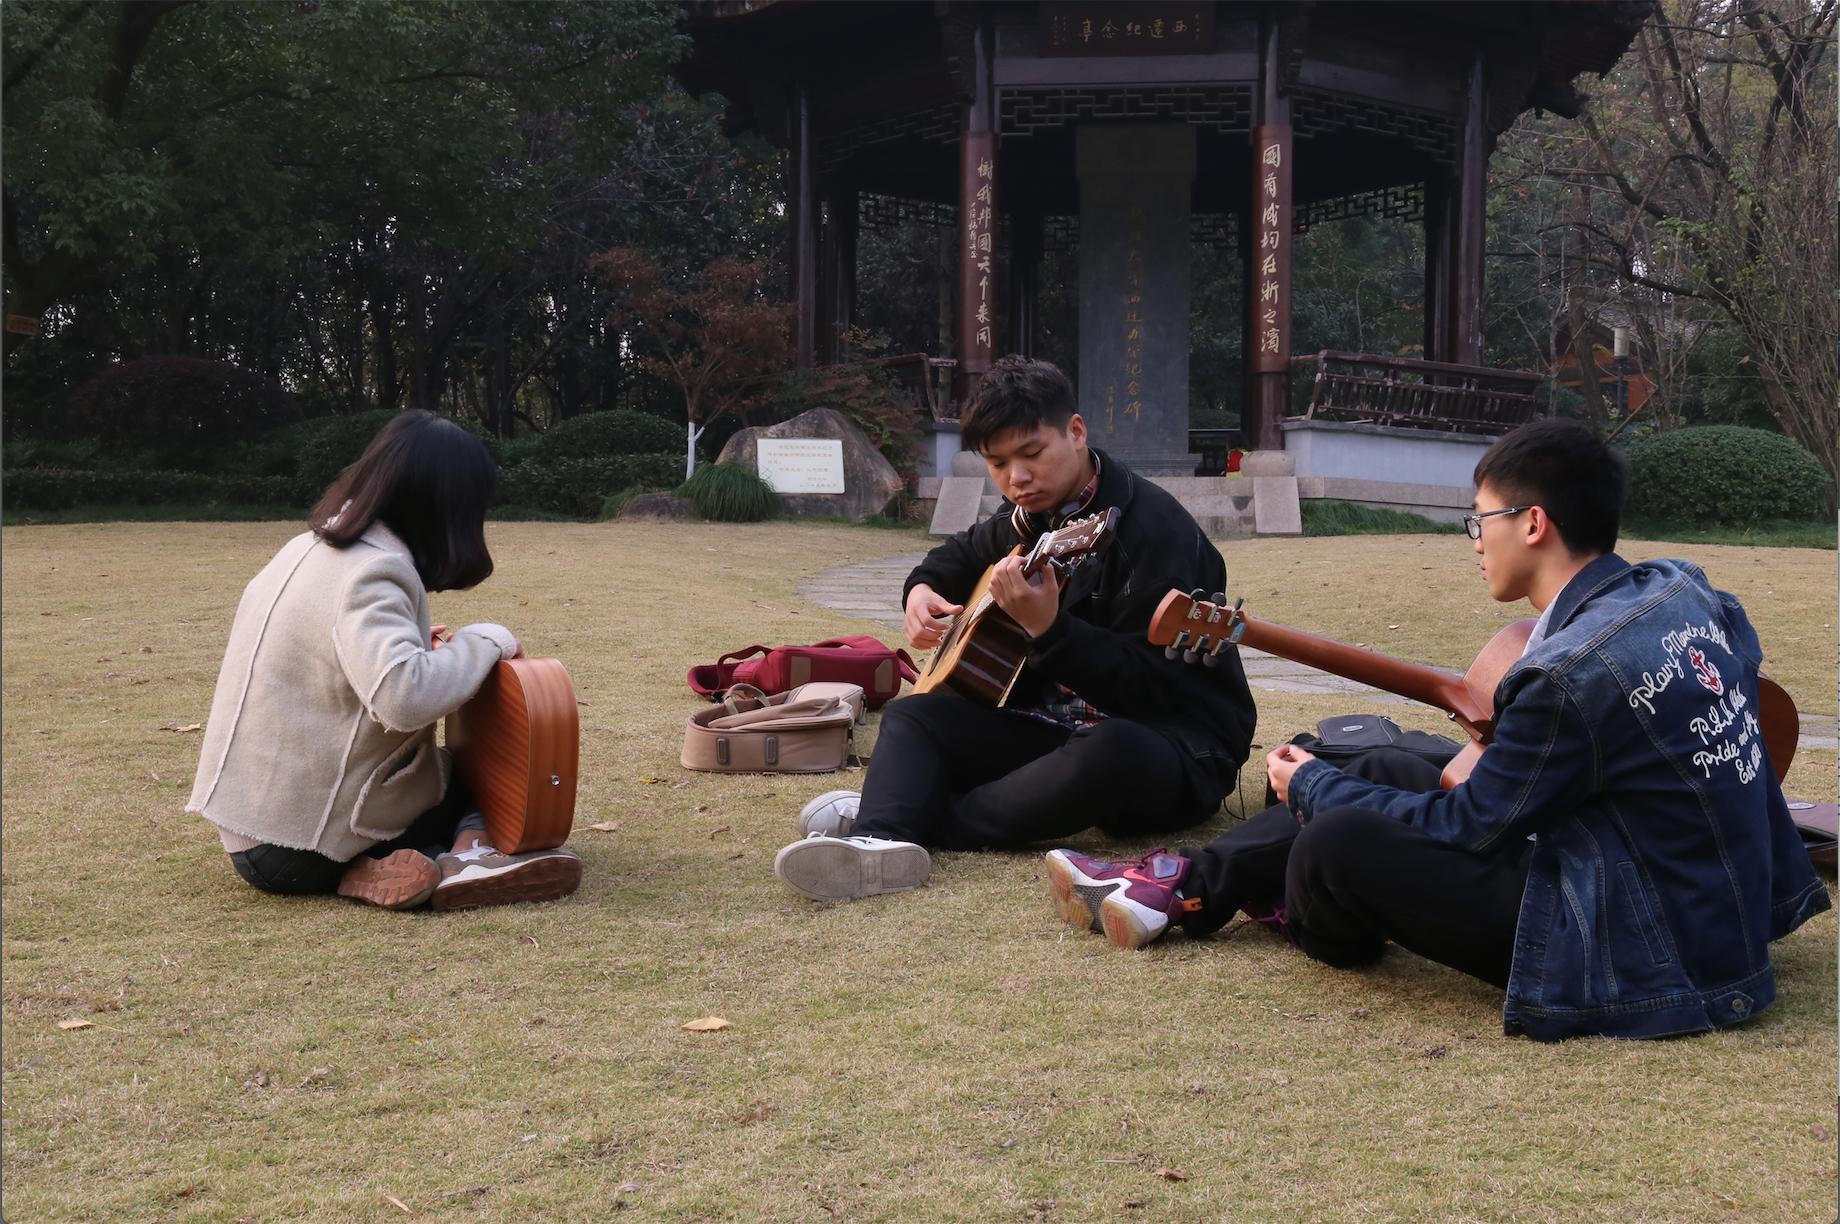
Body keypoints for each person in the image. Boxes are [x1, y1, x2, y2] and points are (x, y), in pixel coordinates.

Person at [1045, 417, 1830, 1040]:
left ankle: (1307, 906)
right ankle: (1177, 888)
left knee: (1334, 838)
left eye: (1479, 521)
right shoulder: (1685, 590)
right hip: (1694, 899)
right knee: (1385, 764)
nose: (1475, 541)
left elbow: (1469, 826)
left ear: (1533, 523)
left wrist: (1312, 786)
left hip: (1643, 945)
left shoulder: (1565, 675)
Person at [773, 356, 1256, 901]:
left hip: (1175, 743)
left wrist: (1049, 629)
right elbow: (958, 555)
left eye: (1032, 453)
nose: (1017, 478)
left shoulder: (1157, 532)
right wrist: (920, 590)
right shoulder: (1029, 516)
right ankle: (881, 840)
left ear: (1076, 432)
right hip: (1056, 726)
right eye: (997, 463)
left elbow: (1151, 690)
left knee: (1108, 749)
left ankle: (913, 816)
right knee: (914, 716)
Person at [187, 410, 582, 911]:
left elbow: (326, 657)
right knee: (477, 782)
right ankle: (467, 858)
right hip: (303, 843)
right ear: (447, 506)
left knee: (440, 776)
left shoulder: (304, 549)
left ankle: (372, 868)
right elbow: (403, 697)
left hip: (250, 830)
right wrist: (485, 640)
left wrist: (417, 646)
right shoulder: (375, 571)